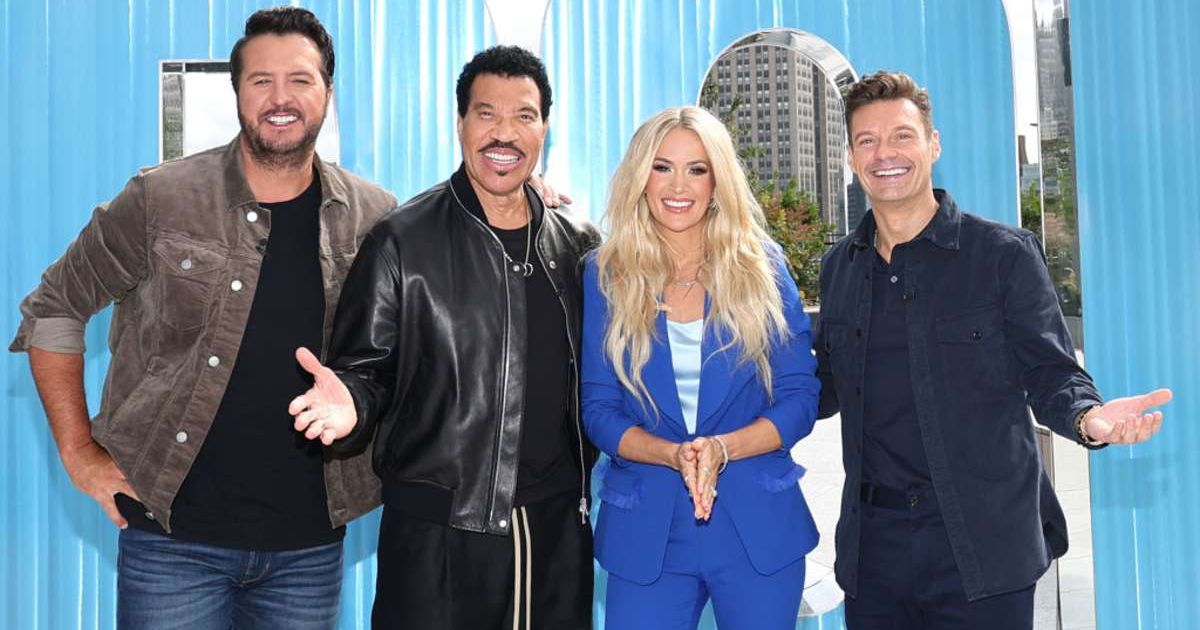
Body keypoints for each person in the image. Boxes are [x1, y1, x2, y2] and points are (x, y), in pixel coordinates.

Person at [9, 7, 397, 629]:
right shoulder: (160, 199)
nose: (280, 98)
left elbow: (424, 312)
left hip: (307, 548)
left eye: (300, 80)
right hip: (172, 542)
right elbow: (53, 308)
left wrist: (523, 198)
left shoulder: (375, 217)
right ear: (236, 92)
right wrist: (80, 453)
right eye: (261, 80)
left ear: (328, 92)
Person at [816, 70, 1173, 629]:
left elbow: (1051, 373)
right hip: (874, 553)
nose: (885, 153)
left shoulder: (1003, 255)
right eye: (868, 140)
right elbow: (819, 386)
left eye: (903, 136)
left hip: (982, 545)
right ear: (851, 156)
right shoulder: (839, 267)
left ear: (933, 144)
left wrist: (1090, 418)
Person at [286, 45, 600, 630]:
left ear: (545, 128)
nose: (504, 133)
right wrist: (351, 403)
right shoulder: (401, 241)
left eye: (524, 116)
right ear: (460, 124)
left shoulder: (579, 245)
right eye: (486, 113)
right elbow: (365, 369)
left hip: (558, 532)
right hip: (437, 539)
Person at [579, 106, 822, 630]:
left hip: (757, 530)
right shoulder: (605, 274)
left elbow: (800, 397)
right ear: (640, 177)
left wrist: (722, 449)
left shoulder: (762, 267)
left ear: (717, 181)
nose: (678, 185)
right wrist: (671, 455)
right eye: (662, 167)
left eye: (697, 168)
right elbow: (598, 409)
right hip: (646, 534)